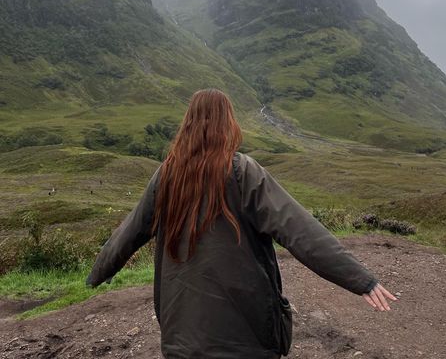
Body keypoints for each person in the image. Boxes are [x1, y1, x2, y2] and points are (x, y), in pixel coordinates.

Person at [86, 88, 397, 358]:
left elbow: (126, 234)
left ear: (189, 122)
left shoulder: (167, 175)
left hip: (181, 337)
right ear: (228, 121)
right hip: (244, 337)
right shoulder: (242, 171)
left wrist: (96, 275)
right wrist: (360, 279)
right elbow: (299, 229)